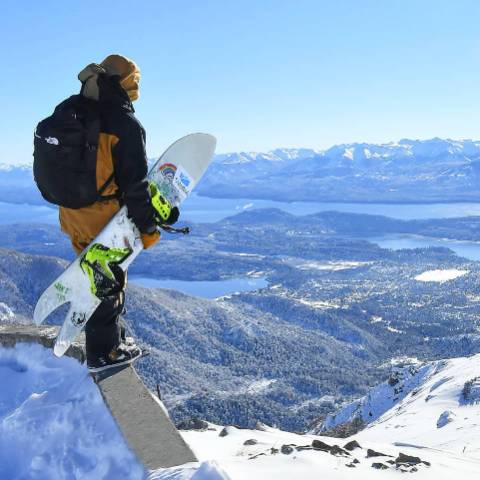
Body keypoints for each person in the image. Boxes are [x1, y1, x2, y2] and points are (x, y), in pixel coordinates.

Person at [58, 54, 177, 371]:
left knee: (95, 277)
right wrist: (148, 231)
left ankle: (113, 338)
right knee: (107, 285)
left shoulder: (71, 110)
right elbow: (135, 188)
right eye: (135, 81)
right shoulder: (124, 124)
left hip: (71, 214)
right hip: (103, 219)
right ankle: (104, 353)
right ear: (124, 83)